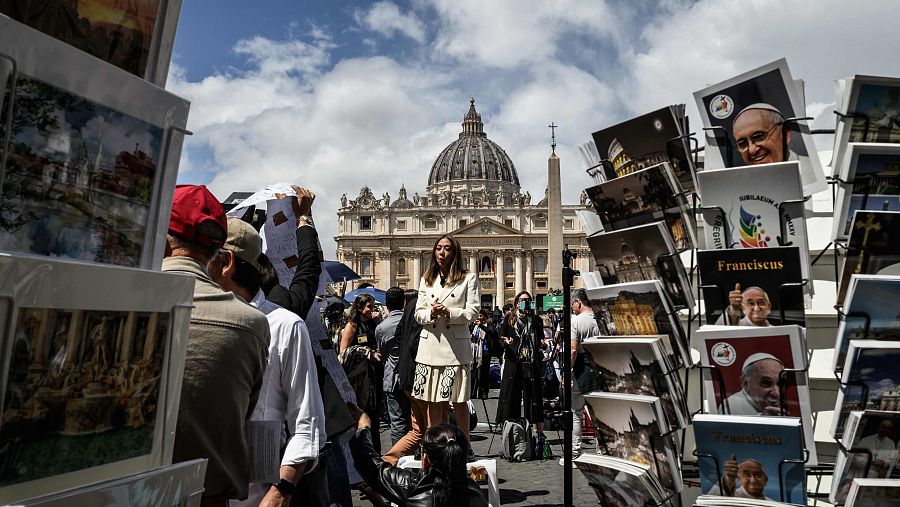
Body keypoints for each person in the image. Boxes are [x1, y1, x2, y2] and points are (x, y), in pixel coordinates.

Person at [162, 185, 270, 505]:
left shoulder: (113, 301)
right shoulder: (253, 323)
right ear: (217, 252)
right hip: (209, 495)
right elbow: (245, 413)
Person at [209, 217, 326, 507]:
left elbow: (307, 419)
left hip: (261, 493)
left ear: (225, 263)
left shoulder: (285, 325)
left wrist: (280, 491)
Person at [412, 235, 480, 448]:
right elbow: (418, 313)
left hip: (455, 348)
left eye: (447, 249)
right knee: (433, 400)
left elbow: (473, 312)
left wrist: (449, 312)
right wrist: (431, 313)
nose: (442, 252)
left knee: (459, 400)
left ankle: (465, 445)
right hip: (431, 345)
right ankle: (436, 444)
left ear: (455, 252)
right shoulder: (426, 278)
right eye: (439, 248)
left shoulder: (468, 278)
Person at [349, 405, 487, 507]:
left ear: (425, 459)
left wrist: (363, 427)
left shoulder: (414, 487)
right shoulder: (475, 492)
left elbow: (372, 467)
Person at [383, 289, 426, 465]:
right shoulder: (421, 307)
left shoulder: (408, 308)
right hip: (420, 376)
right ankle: (430, 469)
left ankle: (386, 463)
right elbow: (415, 343)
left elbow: (399, 336)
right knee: (430, 428)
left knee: (417, 430)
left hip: (406, 375)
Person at [496, 291, 546, 437]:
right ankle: (512, 429)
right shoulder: (509, 319)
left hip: (531, 362)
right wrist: (505, 342)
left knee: (534, 397)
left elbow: (540, 339)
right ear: (517, 303)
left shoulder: (536, 320)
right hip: (514, 362)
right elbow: (501, 338)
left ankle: (536, 431)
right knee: (512, 395)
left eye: (528, 300)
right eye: (522, 300)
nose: (525, 303)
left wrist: (542, 344)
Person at [341, 293, 384, 452]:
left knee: (375, 414)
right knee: (362, 412)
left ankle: (376, 452)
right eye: (369, 307)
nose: (373, 310)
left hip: (375, 374)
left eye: (374, 306)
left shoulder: (374, 324)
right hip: (359, 378)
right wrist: (365, 352)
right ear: (359, 308)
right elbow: (343, 352)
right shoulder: (352, 326)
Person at [562, 288, 598, 465]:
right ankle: (602, 452)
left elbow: (573, 350)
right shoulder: (601, 319)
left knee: (576, 413)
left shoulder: (575, 320)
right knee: (599, 413)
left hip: (581, 368)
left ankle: (574, 454)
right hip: (600, 367)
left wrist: (566, 371)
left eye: (572, 304)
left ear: (578, 302)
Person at [376, 287, 408, 447]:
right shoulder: (412, 322)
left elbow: (382, 353)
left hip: (392, 378)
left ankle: (399, 460)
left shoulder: (382, 327)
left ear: (386, 304)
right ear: (404, 302)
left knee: (397, 422)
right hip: (412, 377)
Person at [707, 456, 774, 500]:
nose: (753, 480)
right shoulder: (732, 497)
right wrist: (729, 478)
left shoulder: (772, 503)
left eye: (758, 475)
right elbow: (710, 502)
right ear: (739, 479)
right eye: (747, 475)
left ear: (766, 480)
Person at [470, 309, 498, 400]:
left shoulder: (489, 325)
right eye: (478, 315)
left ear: (485, 316)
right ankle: (472, 392)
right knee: (473, 372)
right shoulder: (474, 326)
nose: (479, 317)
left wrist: (481, 325)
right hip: (474, 351)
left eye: (481, 315)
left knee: (483, 373)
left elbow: (492, 332)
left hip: (485, 352)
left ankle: (483, 392)